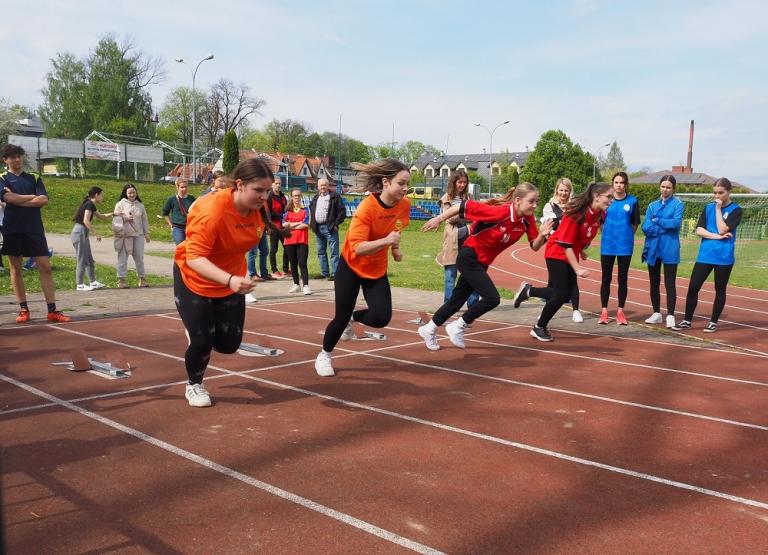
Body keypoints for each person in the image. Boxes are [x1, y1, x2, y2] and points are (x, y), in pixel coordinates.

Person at [174, 157, 278, 407]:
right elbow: (195, 257)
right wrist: (229, 279)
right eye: (258, 190)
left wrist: (234, 278)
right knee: (202, 341)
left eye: (267, 190)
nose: (264, 197)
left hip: (232, 279)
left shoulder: (258, 210)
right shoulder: (213, 211)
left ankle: (199, 331)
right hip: (195, 277)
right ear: (239, 184)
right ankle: (194, 385)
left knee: (230, 345)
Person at [418, 182, 552, 350]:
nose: (535, 205)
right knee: (492, 298)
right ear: (518, 200)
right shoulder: (500, 212)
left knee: (455, 302)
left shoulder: (527, 220)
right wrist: (438, 218)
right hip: (469, 256)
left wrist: (543, 235)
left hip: (482, 263)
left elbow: (535, 246)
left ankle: (428, 329)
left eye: (537, 201)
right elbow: (462, 206)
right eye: (531, 201)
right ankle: (457, 326)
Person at [314, 159, 411, 377]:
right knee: (340, 317)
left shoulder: (404, 205)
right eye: (401, 183)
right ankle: (324, 355)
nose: (405, 189)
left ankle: (354, 318)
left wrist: (395, 249)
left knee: (381, 317)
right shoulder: (367, 208)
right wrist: (386, 242)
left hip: (376, 269)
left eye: (407, 185)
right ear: (385, 182)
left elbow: (396, 228)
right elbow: (358, 248)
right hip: (351, 266)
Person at [514, 182, 613, 341]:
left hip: (570, 253)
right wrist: (577, 268)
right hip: (556, 252)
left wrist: (581, 251)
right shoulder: (575, 214)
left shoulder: (600, 215)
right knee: (561, 295)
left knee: (562, 295)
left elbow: (577, 238)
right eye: (608, 196)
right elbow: (565, 243)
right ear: (596, 196)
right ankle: (538, 326)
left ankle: (529, 292)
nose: (611, 200)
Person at [0, 144, 70, 323]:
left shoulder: (34, 177)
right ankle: (23, 309)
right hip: (13, 228)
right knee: (15, 269)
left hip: (34, 229)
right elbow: (7, 198)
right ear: (5, 159)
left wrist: (18, 199)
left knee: (45, 266)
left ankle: (52, 310)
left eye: (19, 156)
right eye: (13, 157)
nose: (17, 159)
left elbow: (44, 200)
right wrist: (31, 197)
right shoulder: (2, 178)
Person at [674, 177, 742, 333]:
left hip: (724, 257)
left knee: (720, 289)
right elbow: (699, 230)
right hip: (705, 255)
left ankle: (713, 322)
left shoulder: (736, 210)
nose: (717, 196)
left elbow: (723, 229)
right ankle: (687, 320)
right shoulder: (707, 208)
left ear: (728, 192)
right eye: (714, 193)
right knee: (693, 287)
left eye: (720, 193)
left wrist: (718, 210)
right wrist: (717, 237)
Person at [641, 175, 684, 328]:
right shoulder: (652, 205)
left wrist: (657, 220)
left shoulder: (678, 204)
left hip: (670, 247)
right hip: (653, 247)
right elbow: (645, 227)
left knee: (670, 283)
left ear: (673, 189)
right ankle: (657, 313)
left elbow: (676, 224)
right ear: (659, 187)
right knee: (654, 282)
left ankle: (671, 315)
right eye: (663, 186)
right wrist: (662, 226)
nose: (665, 190)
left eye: (668, 187)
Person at [598, 172, 640, 325]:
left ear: (626, 184)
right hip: (607, 245)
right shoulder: (606, 201)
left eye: (622, 182)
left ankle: (620, 312)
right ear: (612, 184)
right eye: (616, 182)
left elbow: (635, 224)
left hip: (625, 246)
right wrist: (608, 233)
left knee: (622, 279)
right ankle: (604, 312)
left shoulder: (633, 201)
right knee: (606, 279)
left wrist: (626, 235)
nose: (619, 185)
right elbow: (600, 221)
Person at [541, 177, 583, 323]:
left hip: (571, 247)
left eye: (566, 190)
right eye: (561, 190)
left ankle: (576, 310)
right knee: (552, 281)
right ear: (557, 190)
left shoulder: (574, 206)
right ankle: (545, 311)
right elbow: (552, 226)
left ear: (570, 191)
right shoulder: (550, 206)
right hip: (556, 247)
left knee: (573, 278)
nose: (564, 193)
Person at [435, 169, 479, 308]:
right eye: (459, 182)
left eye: (464, 182)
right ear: (454, 182)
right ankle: (448, 305)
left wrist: (460, 214)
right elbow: (449, 218)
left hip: (469, 239)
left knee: (471, 275)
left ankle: (473, 305)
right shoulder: (446, 198)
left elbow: (476, 215)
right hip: (452, 239)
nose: (462, 185)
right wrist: (464, 214)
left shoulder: (469, 197)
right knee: (450, 276)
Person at [71, 186, 112, 291]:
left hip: (82, 232)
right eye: (101, 195)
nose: (102, 197)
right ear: (97, 195)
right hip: (79, 232)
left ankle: (93, 282)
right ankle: (79, 284)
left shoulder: (91, 204)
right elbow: (86, 220)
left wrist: (114, 214)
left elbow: (101, 216)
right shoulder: (89, 204)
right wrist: (96, 233)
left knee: (89, 259)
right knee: (82, 259)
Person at [113, 183, 151, 288]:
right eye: (129, 192)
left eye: (134, 192)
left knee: (139, 257)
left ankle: (142, 279)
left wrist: (146, 233)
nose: (132, 194)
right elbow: (116, 219)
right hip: (124, 236)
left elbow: (144, 220)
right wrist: (125, 218)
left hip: (138, 235)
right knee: (122, 258)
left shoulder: (140, 205)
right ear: (125, 193)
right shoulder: (120, 204)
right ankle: (121, 280)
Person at [309, 177, 346, 280]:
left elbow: (342, 212)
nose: (323, 187)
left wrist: (335, 224)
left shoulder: (334, 196)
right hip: (318, 228)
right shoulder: (316, 197)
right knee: (321, 251)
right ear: (318, 187)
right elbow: (311, 210)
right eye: (321, 185)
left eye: (324, 185)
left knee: (334, 252)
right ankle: (324, 272)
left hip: (330, 228)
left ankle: (335, 274)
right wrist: (312, 225)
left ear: (328, 186)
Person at [283, 188, 312, 295]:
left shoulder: (306, 209)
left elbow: (306, 225)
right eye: (295, 196)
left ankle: (306, 285)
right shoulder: (287, 210)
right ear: (291, 197)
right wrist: (298, 223)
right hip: (289, 240)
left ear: (301, 196)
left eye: (298, 195)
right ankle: (296, 284)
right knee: (293, 264)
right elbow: (284, 225)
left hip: (302, 240)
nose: (297, 198)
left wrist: (291, 225)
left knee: (302, 263)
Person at [267, 176, 289, 278]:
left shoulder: (283, 197)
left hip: (284, 227)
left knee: (287, 248)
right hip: (274, 227)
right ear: (272, 184)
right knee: (274, 249)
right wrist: (278, 215)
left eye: (279, 183)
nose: (278, 185)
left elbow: (286, 210)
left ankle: (285, 269)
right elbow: (267, 213)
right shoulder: (269, 197)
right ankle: (274, 270)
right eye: (276, 183)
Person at [162, 177, 195, 244]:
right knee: (181, 247)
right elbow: (165, 214)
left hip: (190, 227)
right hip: (178, 228)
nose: (184, 189)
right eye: (182, 187)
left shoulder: (192, 199)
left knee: (190, 248)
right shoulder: (172, 199)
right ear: (177, 187)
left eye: (186, 187)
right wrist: (171, 226)